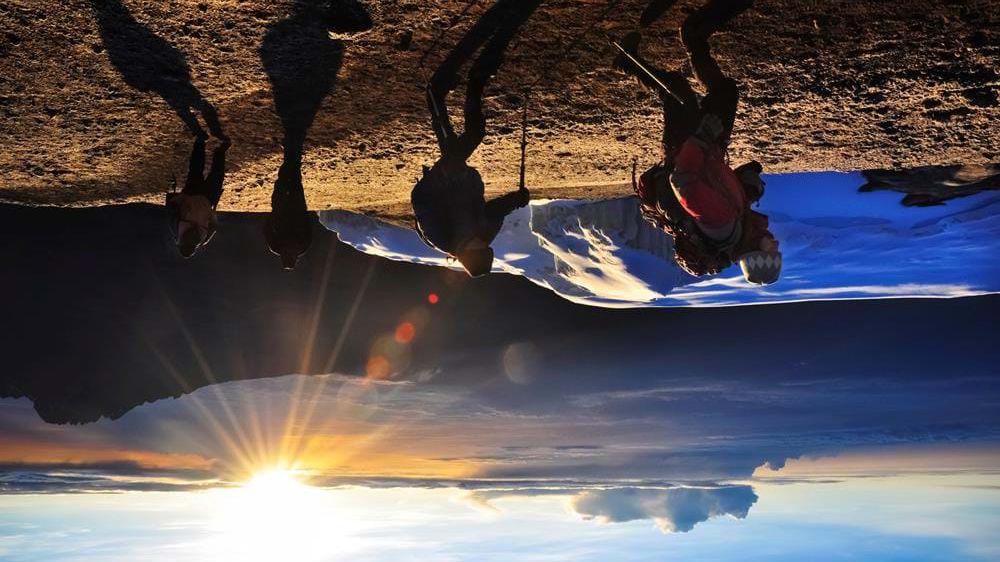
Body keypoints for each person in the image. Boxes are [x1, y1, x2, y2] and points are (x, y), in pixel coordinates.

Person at [616, 0, 782, 285]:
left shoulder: (721, 226)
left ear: (757, 254)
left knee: (680, 92)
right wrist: (746, 186)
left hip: (690, 146)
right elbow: (717, 189)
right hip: (706, 149)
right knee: (722, 93)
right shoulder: (737, 231)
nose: (776, 245)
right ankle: (637, 56)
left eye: (773, 252)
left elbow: (684, 182)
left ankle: (677, 39)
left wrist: (703, 136)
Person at [412, 0, 542, 278]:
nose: (482, 242)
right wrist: (515, 200)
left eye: (478, 248)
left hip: (446, 176)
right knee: (474, 133)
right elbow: (494, 212)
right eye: (485, 247)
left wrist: (440, 176)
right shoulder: (484, 236)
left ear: (466, 254)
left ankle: (439, 90)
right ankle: (472, 82)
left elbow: (421, 200)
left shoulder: (441, 237)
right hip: (463, 176)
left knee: (463, 135)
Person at [166, 137, 229, 258]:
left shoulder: (177, 230)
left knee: (197, 169)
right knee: (215, 174)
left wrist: (182, 197)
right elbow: (214, 225)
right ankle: (219, 151)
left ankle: (201, 142)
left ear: (181, 243)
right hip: (206, 199)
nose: (190, 242)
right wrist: (212, 213)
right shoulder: (202, 239)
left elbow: (171, 209)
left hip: (193, 194)